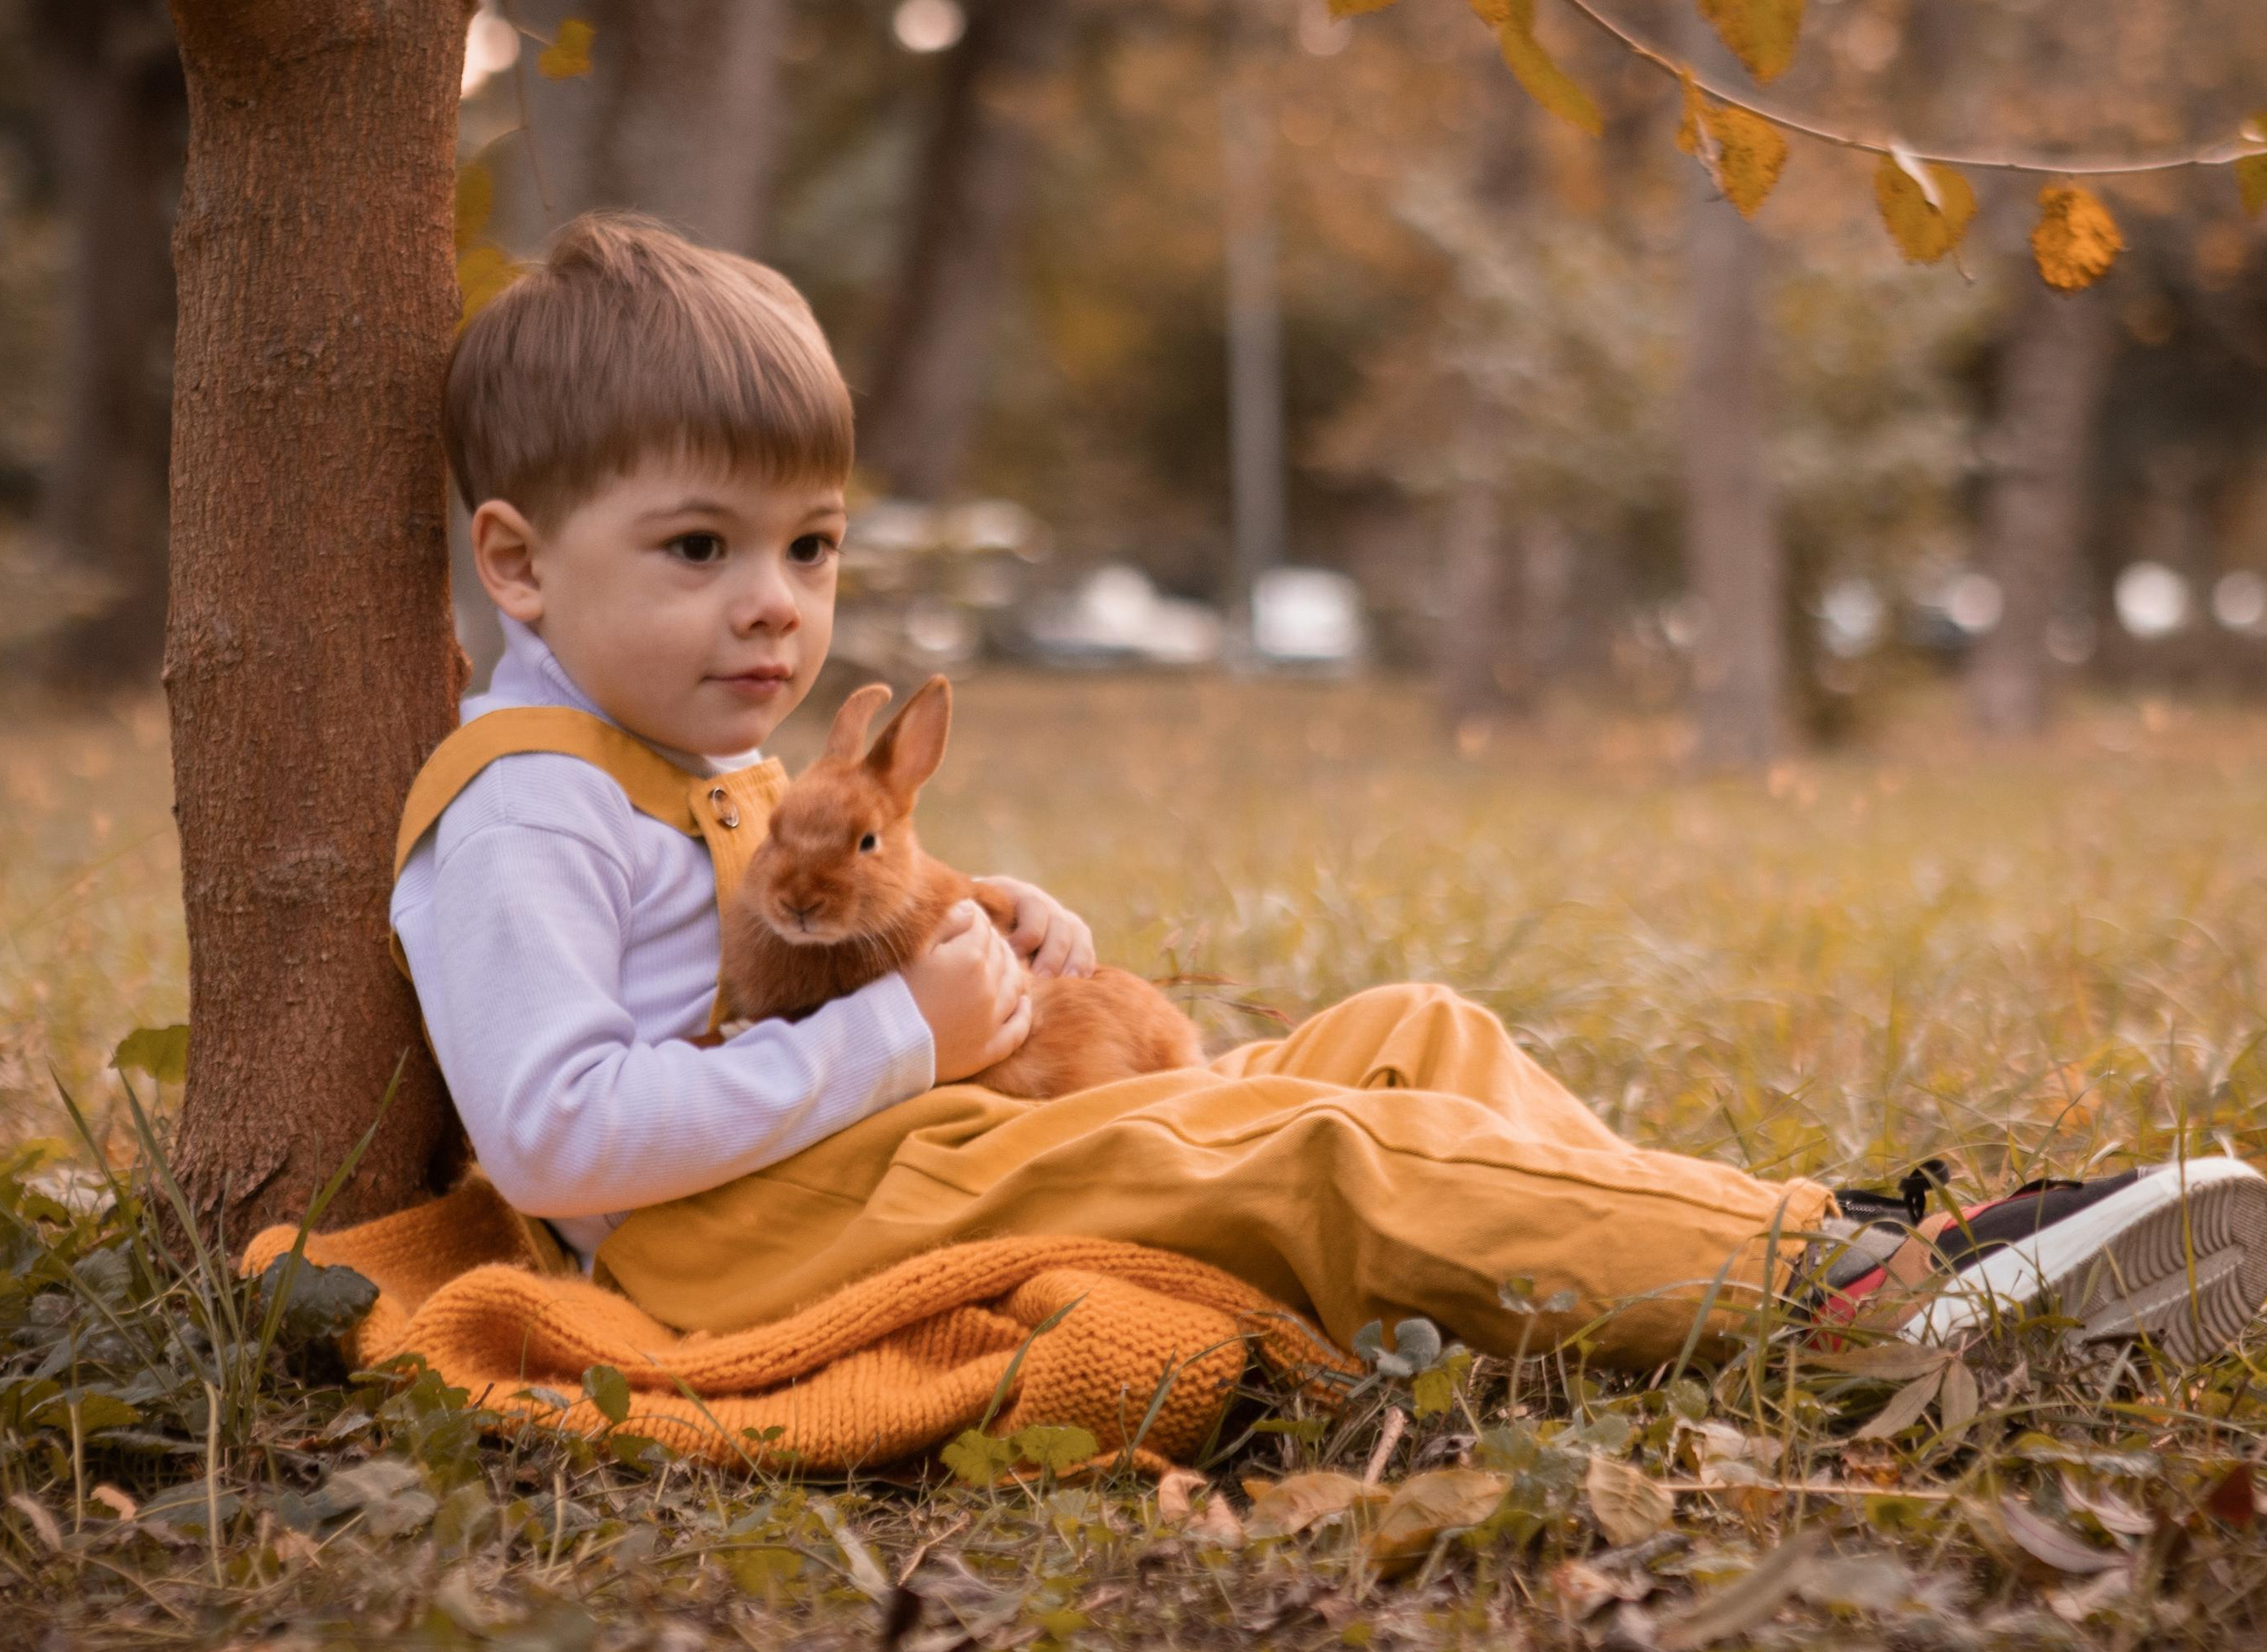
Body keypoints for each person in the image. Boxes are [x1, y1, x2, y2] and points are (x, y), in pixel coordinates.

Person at [391, 212, 2267, 1373]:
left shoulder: (697, 758)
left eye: (809, 545)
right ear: (523, 562)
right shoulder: (524, 811)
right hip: (758, 1230)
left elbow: (795, 913)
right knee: (1311, 1147)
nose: (772, 602)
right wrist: (900, 1040)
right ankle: (1851, 1301)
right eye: (702, 544)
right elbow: (560, 1135)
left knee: (1409, 1033)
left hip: (875, 1151)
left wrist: (976, 919)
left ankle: (1818, 1235)